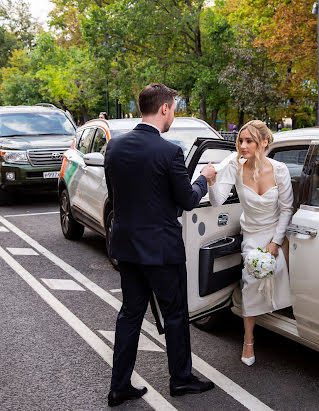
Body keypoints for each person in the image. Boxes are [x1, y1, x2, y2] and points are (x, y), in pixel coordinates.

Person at [104, 83, 217, 407]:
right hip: (162, 250)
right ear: (164, 108)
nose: (173, 115)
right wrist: (203, 178)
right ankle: (181, 380)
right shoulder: (169, 152)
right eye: (174, 108)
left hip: (126, 246)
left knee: (130, 314)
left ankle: (119, 386)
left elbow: (117, 195)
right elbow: (186, 200)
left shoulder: (115, 148)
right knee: (176, 315)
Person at [205, 120, 293, 366]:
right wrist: (212, 183)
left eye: (249, 141)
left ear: (263, 143)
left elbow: (287, 209)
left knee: (278, 272)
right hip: (252, 234)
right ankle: (249, 339)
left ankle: (280, 319)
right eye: (241, 141)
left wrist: (276, 242)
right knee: (251, 281)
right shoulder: (235, 167)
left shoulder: (280, 170)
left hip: (275, 232)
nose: (242, 146)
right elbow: (216, 202)